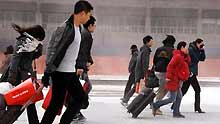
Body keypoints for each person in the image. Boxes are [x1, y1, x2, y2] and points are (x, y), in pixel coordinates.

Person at [40, 1, 93, 124]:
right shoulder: (64, 28)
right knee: (55, 105)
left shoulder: (79, 28)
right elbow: (52, 49)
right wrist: (47, 73)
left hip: (70, 72)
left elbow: (76, 51)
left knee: (81, 99)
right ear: (82, 13)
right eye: (88, 15)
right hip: (60, 73)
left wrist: (82, 64)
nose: (89, 18)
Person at [0, 24, 45, 124]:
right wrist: (12, 78)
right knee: (13, 100)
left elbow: (33, 57)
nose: (39, 41)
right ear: (36, 36)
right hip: (17, 76)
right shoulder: (23, 41)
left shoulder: (33, 44)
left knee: (28, 100)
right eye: (39, 39)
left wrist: (38, 48)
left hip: (26, 75)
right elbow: (15, 59)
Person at [152, 41, 191, 118]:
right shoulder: (178, 56)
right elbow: (170, 66)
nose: (188, 49)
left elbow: (186, 63)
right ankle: (155, 105)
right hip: (173, 79)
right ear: (182, 47)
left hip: (177, 79)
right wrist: (169, 77)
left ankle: (176, 113)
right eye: (186, 47)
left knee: (179, 97)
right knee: (172, 99)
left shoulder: (182, 56)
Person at [72, 15, 96, 121]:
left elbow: (85, 52)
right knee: (85, 87)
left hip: (80, 65)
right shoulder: (86, 35)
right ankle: (74, 111)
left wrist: (89, 61)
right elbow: (81, 51)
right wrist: (81, 66)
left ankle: (75, 110)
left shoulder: (84, 33)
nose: (95, 27)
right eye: (94, 25)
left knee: (84, 88)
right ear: (90, 25)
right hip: (79, 67)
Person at [181, 38, 206, 113]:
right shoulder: (191, 49)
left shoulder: (197, 50)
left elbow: (202, 59)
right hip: (190, 72)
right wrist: (200, 51)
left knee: (185, 90)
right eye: (201, 44)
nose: (202, 46)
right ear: (197, 43)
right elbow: (196, 59)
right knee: (194, 90)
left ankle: (174, 105)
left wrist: (202, 51)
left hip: (192, 73)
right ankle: (197, 108)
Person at [152, 35, 175, 115]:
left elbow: (154, 60)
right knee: (162, 89)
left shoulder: (159, 49)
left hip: (157, 71)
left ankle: (156, 104)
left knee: (163, 88)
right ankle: (156, 106)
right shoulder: (172, 50)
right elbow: (173, 63)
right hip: (165, 72)